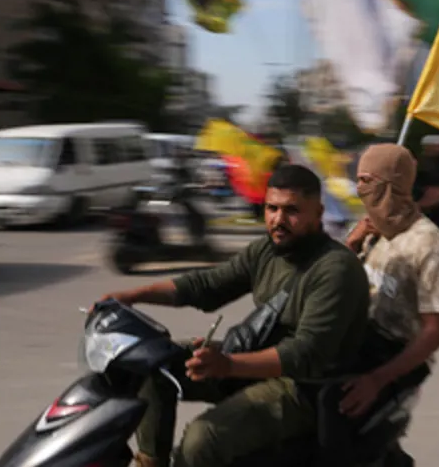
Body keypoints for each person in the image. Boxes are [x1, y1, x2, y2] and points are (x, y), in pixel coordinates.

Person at [100, 165, 370, 467]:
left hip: (302, 386)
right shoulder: (267, 250)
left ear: (318, 213)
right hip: (253, 358)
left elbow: (306, 353)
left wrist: (227, 365)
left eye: (292, 210)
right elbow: (207, 285)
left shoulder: (335, 269)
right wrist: (133, 296)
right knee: (151, 366)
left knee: (201, 440)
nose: (279, 220)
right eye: (272, 208)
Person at [345, 143, 439, 466]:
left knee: (339, 431)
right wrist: (351, 244)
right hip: (358, 339)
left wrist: (378, 379)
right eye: (358, 179)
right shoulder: (373, 231)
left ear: (390, 185)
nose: (359, 188)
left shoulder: (429, 245)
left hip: (394, 356)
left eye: (367, 180)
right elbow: (341, 283)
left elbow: (434, 333)